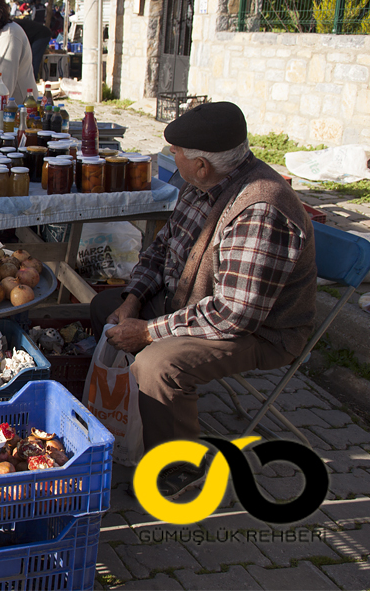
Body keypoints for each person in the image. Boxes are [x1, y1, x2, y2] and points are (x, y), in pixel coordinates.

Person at [89, 102, 317, 497]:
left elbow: (234, 315)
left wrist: (147, 332)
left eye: (176, 154)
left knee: (158, 364)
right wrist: (131, 300)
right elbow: (160, 249)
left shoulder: (261, 208)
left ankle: (180, 466)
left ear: (202, 165)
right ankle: (143, 416)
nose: (170, 159)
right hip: (194, 304)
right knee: (105, 309)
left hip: (261, 333)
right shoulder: (203, 186)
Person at [15, 15, 53, 83]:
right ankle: (30, 79)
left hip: (42, 35)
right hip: (35, 36)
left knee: (34, 58)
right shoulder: (14, 24)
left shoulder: (13, 26)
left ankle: (32, 80)